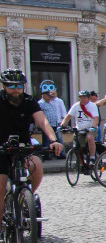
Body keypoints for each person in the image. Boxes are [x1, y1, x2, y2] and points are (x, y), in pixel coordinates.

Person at [0, 69, 62, 206]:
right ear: (3, 86)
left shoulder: (29, 101)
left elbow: (43, 122)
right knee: (1, 188)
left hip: (23, 147)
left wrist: (54, 140)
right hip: (1, 149)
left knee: (37, 165)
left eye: (19, 86)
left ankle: (24, 200)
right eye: (11, 86)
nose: (15, 89)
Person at [60, 90, 99, 165]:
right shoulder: (76, 106)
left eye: (84, 98)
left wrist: (93, 127)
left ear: (88, 98)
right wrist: (62, 125)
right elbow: (68, 117)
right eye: (81, 98)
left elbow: (96, 119)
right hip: (79, 129)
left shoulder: (93, 106)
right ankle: (81, 164)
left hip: (90, 129)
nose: (83, 99)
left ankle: (92, 157)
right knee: (77, 146)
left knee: (90, 138)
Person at [36, 80, 67, 155]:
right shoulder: (40, 103)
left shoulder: (53, 102)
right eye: (48, 96)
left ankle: (60, 154)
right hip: (46, 125)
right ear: (44, 95)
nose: (50, 97)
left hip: (55, 124)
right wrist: (36, 126)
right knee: (46, 140)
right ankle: (46, 155)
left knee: (58, 139)